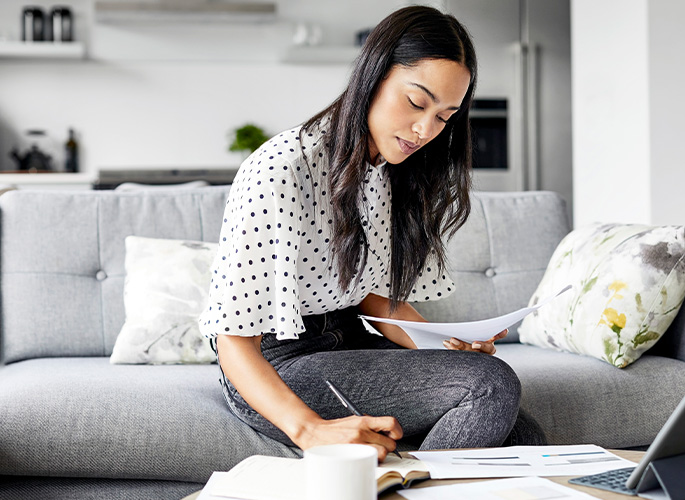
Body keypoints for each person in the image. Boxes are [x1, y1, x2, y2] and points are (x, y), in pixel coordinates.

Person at [198, 6, 543, 460]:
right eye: (416, 102)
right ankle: (399, 486)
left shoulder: (394, 169)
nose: (425, 130)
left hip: (348, 341)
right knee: (491, 386)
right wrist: (309, 430)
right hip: (274, 365)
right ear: (373, 76)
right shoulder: (283, 168)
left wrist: (448, 348)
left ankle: (406, 482)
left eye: (444, 117)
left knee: (522, 434)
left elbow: (374, 300)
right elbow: (232, 338)